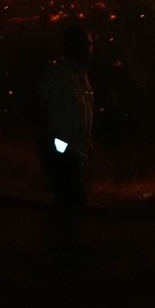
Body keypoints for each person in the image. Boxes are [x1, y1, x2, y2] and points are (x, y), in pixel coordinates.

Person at [37, 24, 95, 262]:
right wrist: (55, 144)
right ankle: (62, 246)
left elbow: (82, 112)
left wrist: (85, 143)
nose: (89, 49)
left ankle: (60, 246)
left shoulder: (81, 77)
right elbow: (41, 104)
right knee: (73, 196)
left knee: (66, 197)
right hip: (61, 147)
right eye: (85, 44)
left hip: (73, 147)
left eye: (90, 44)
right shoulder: (58, 74)